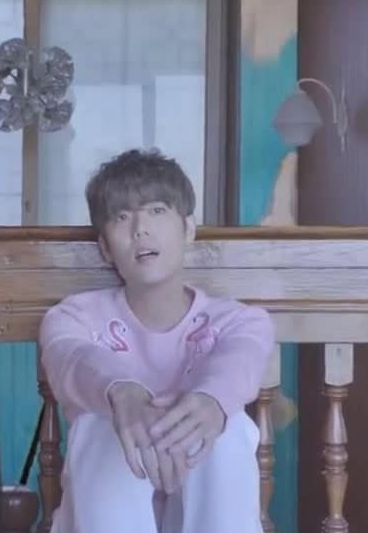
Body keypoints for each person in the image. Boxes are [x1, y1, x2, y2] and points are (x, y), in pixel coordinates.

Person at [38, 148, 275, 533]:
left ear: (188, 229)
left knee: (226, 423)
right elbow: (72, 355)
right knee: (103, 422)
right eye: (122, 217)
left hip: (197, 510)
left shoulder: (240, 321)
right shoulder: (73, 317)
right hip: (103, 514)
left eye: (157, 210)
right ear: (105, 247)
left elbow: (240, 360)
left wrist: (207, 403)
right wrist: (123, 395)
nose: (140, 229)